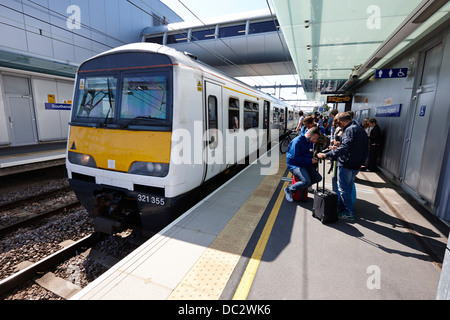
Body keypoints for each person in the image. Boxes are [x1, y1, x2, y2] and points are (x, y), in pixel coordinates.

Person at [317, 112, 368, 220]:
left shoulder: (348, 130)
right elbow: (360, 147)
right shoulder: (359, 128)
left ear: (341, 122)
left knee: (344, 189)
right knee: (348, 187)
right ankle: (342, 208)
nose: (338, 126)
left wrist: (326, 154)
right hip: (356, 164)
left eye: (337, 124)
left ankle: (349, 213)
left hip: (347, 163)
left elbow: (345, 149)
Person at [285, 127, 323, 202]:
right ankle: (289, 190)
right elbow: (295, 158)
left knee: (318, 178)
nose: (315, 141)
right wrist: (310, 161)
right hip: (294, 165)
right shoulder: (297, 141)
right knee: (306, 181)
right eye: (314, 138)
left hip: (304, 163)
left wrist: (313, 159)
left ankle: (299, 187)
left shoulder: (308, 141)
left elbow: (306, 154)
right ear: (309, 135)